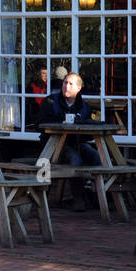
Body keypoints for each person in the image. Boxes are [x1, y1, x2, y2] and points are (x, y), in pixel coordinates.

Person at [36, 72, 101, 211]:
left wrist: (83, 128)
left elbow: (88, 134)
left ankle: (100, 197)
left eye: (70, 84)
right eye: (65, 82)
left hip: (76, 142)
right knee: (74, 158)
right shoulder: (50, 102)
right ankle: (78, 199)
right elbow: (39, 124)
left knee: (97, 156)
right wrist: (59, 121)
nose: (66, 86)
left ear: (78, 89)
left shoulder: (83, 107)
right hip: (53, 145)